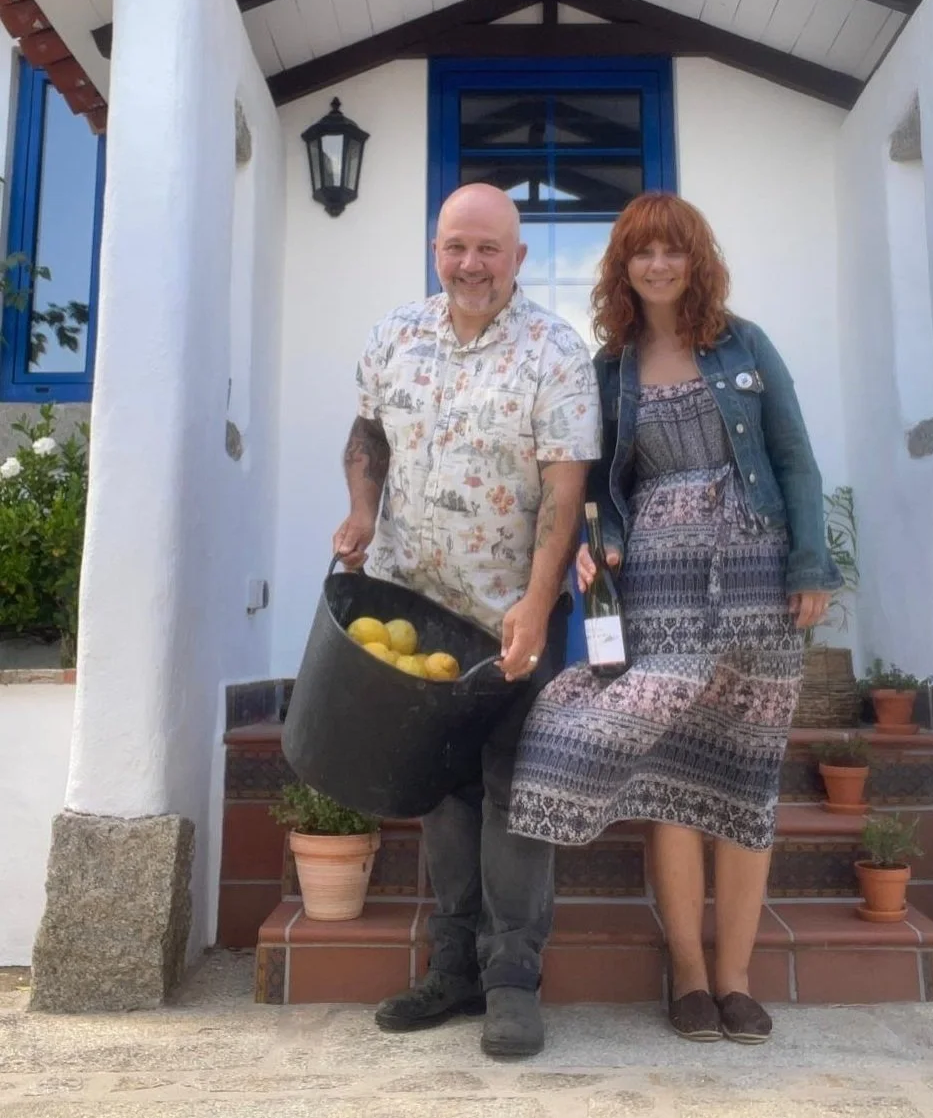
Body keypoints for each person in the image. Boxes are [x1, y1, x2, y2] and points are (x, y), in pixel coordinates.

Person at [510, 192, 840, 1045]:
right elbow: (600, 488)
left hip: (759, 576)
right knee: (671, 778)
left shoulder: (745, 343)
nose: (658, 265)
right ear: (622, 267)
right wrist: (600, 542)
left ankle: (735, 979)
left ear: (697, 258)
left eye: (673, 251)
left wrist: (811, 563)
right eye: (640, 253)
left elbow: (795, 457)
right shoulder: (610, 363)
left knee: (746, 775)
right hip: (658, 582)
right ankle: (687, 976)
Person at [332, 183, 600, 1059]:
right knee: (446, 793)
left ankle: (513, 979)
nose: (471, 263)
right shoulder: (393, 335)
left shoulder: (555, 353)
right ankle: (451, 966)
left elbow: (566, 491)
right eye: (456, 246)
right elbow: (367, 434)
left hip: (513, 617)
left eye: (489, 248)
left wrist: (536, 596)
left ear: (518, 258)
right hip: (416, 612)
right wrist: (363, 509)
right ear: (434, 248)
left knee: (515, 790)